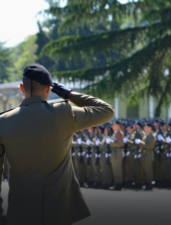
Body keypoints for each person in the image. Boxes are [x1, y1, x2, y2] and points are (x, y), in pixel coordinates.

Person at [0, 64, 115, 224]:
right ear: (49, 88)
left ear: (21, 88)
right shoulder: (64, 113)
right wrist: (70, 94)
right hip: (59, 212)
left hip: (21, 211)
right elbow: (107, 111)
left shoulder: (3, 122)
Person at [135, 123, 156, 190]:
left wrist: (140, 142)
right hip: (144, 154)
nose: (144, 128)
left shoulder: (151, 136)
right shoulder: (146, 135)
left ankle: (149, 184)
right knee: (144, 170)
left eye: (146, 127)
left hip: (148, 154)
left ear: (150, 128)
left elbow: (148, 145)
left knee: (148, 170)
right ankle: (147, 183)